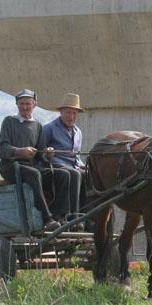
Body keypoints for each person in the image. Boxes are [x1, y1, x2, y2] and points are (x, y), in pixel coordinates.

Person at [0, 89, 59, 231]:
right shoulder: (9, 121)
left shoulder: (37, 125)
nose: (25, 107)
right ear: (17, 105)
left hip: (30, 167)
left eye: (28, 104)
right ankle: (47, 218)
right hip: (10, 166)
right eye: (21, 104)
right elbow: (2, 148)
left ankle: (63, 215)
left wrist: (47, 153)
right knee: (34, 174)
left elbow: (40, 154)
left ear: (34, 104)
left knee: (65, 175)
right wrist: (19, 151)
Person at [43, 93, 86, 226]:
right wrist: (47, 153)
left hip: (73, 166)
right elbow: (41, 152)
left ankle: (88, 215)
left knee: (89, 175)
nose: (71, 116)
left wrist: (84, 165)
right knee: (74, 174)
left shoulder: (78, 132)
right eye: (68, 112)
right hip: (54, 165)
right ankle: (68, 215)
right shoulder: (49, 128)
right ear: (61, 112)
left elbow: (76, 156)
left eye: (74, 113)